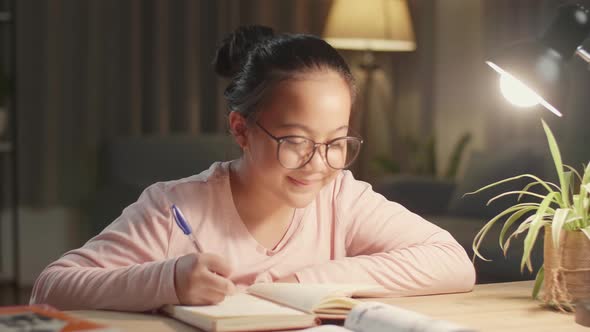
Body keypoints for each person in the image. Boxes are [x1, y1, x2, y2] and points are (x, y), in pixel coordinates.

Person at [30, 25, 475, 311]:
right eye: (296, 141)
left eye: (337, 142)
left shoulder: (341, 196)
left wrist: (301, 282)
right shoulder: (176, 206)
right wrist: (168, 280)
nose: (319, 163)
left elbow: (453, 263)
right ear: (241, 130)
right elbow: (51, 288)